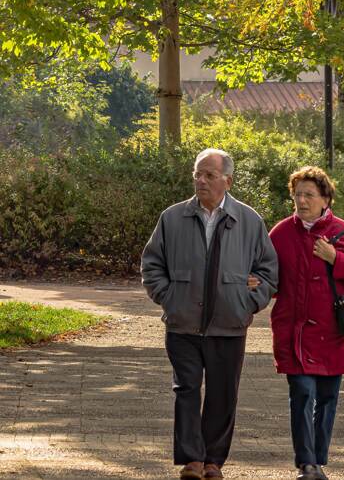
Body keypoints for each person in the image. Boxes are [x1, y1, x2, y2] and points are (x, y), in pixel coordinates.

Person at [141, 148, 279, 480]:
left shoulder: (249, 220)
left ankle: (214, 460)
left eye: (209, 175)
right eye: (197, 174)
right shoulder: (172, 218)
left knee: (222, 393)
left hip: (229, 324)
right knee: (186, 389)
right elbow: (151, 265)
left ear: (227, 181)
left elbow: (269, 271)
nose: (201, 181)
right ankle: (192, 459)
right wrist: (169, 297)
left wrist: (249, 302)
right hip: (183, 323)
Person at [269, 165, 344, 480]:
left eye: (309, 195)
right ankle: (307, 463)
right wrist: (255, 282)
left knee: (327, 398)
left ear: (325, 199)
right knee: (302, 393)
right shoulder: (281, 233)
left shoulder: (341, 231)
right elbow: (266, 272)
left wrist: (335, 258)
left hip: (333, 333)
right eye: (297, 195)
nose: (302, 201)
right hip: (295, 331)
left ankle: (317, 458)